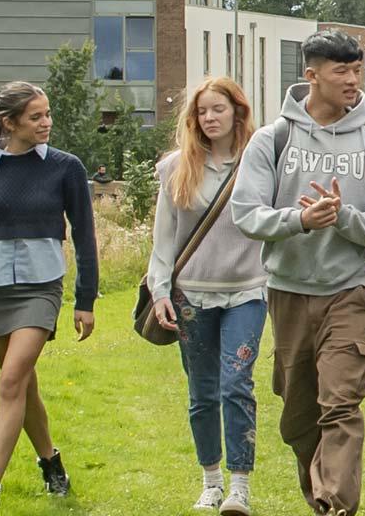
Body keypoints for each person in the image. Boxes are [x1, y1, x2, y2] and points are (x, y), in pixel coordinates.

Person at [230, 29, 365, 516]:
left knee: (341, 403)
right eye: (341, 71)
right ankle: (321, 499)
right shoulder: (272, 140)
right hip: (287, 293)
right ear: (311, 75)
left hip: (351, 291)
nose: (352, 80)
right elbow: (246, 214)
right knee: (299, 418)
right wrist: (300, 220)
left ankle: (335, 506)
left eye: (357, 70)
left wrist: (343, 217)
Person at [0, 81, 99, 513]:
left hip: (41, 287)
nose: (46, 122)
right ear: (9, 123)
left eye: (47, 114)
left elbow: (85, 236)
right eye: (36, 117)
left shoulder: (66, 168)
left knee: (11, 382)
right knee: (22, 386)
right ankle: (51, 462)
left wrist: (85, 299)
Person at [146, 76, 267, 515]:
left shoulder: (260, 163)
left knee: (237, 384)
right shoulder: (176, 167)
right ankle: (211, 482)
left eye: (218, 109)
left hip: (247, 292)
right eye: (202, 111)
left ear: (238, 111)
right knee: (202, 391)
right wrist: (159, 290)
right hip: (191, 297)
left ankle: (240, 487)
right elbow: (164, 238)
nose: (210, 118)